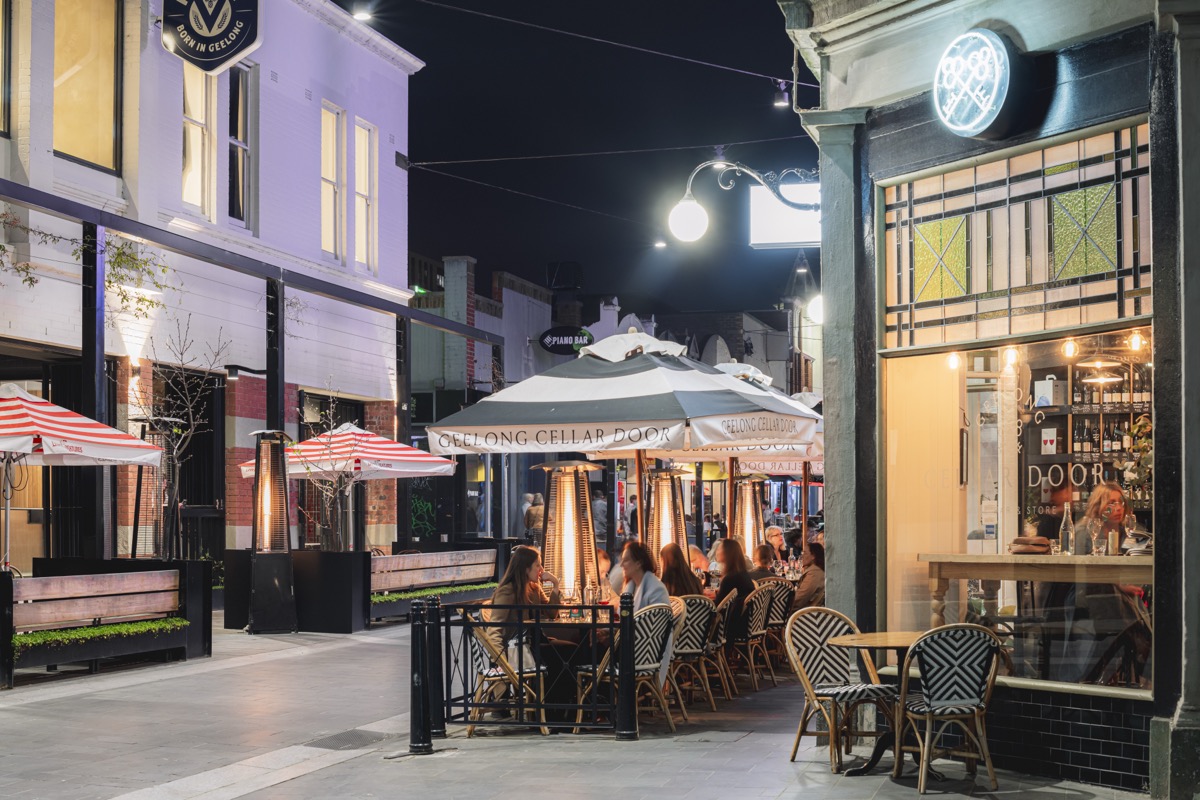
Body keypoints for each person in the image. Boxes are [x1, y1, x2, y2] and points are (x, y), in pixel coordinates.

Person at [484, 545, 561, 655]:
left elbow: (552, 613)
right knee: (568, 652)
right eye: (537, 565)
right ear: (526, 568)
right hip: (517, 649)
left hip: (535, 643)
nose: (542, 570)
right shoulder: (507, 591)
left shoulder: (534, 588)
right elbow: (494, 630)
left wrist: (556, 584)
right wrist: (500, 662)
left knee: (571, 649)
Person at [711, 538, 756, 642]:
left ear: (727, 553)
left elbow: (718, 607)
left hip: (728, 628)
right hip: (745, 624)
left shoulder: (730, 578)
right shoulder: (742, 575)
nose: (716, 551)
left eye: (719, 549)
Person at [620, 540, 669, 611]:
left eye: (626, 560)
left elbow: (657, 620)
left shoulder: (657, 590)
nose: (621, 565)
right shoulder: (631, 587)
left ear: (638, 563)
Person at [791, 543, 826, 609]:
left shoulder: (814, 573)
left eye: (805, 553)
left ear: (813, 556)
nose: (802, 556)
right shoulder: (815, 570)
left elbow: (799, 598)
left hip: (803, 615)